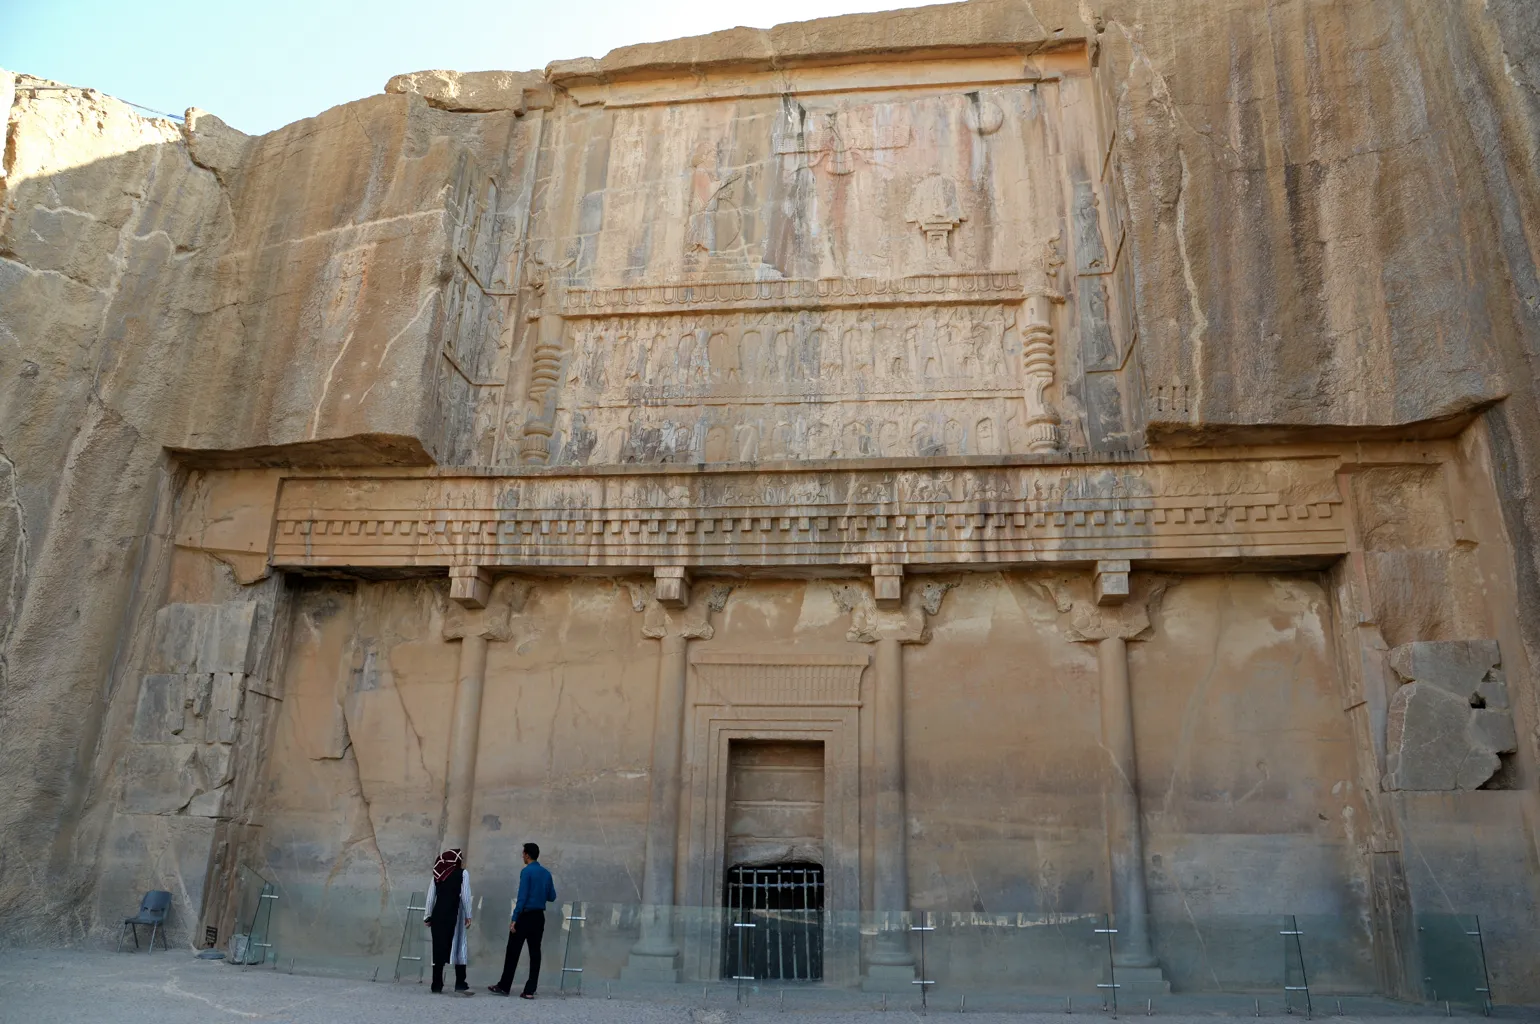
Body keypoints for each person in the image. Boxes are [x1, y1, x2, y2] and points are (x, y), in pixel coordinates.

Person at [488, 842, 556, 998]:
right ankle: (530, 990)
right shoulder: (546, 873)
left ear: (527, 854)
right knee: (535, 952)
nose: (522, 856)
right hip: (539, 917)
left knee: (513, 951)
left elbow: (522, 897)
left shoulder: (526, 872)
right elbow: (552, 896)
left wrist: (514, 918)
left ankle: (504, 986)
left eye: (523, 853)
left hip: (525, 915)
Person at [423, 848, 473, 995]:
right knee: (459, 946)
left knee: (438, 948)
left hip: (438, 915)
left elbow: (430, 896)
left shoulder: (437, 875)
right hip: (455, 914)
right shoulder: (462, 873)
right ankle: (460, 982)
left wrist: (427, 915)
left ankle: (436, 984)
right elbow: (465, 895)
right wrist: (468, 915)